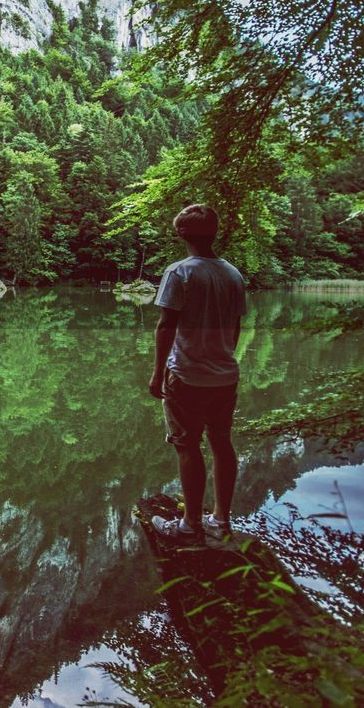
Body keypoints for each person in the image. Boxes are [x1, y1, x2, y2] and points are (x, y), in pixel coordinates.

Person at [148, 204, 246, 542]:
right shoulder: (233, 274)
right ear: (214, 233)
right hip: (225, 375)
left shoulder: (179, 273)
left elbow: (166, 327)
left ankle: (190, 524)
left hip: (187, 375)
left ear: (181, 234)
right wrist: (223, 356)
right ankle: (221, 520)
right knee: (221, 443)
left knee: (187, 445)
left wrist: (158, 372)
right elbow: (235, 326)